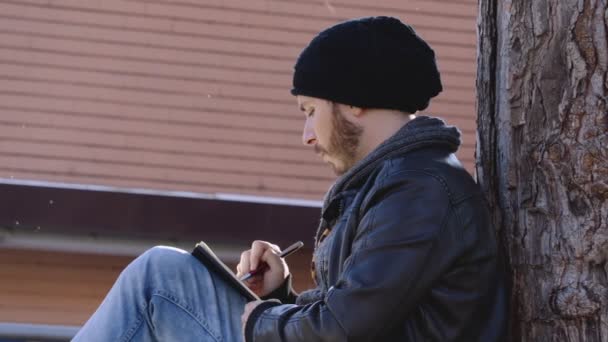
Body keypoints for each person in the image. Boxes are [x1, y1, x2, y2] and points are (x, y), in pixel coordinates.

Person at [73, 16, 508, 341]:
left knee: (160, 280)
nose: (305, 135)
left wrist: (261, 321)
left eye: (310, 111)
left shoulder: (420, 192)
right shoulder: (402, 185)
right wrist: (280, 296)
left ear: (355, 101)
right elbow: (366, 318)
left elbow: (341, 329)